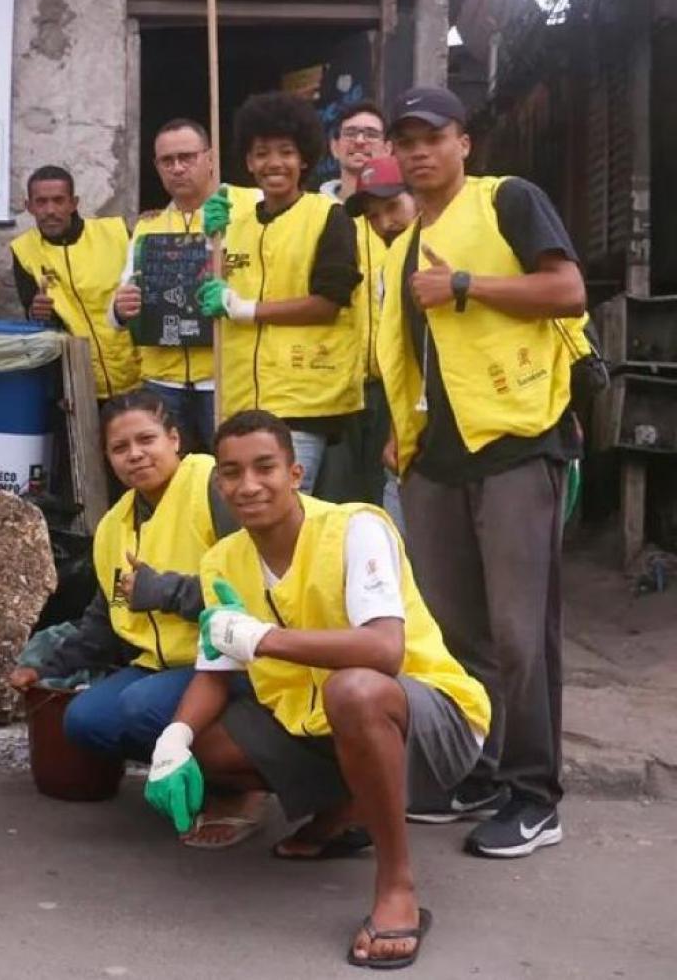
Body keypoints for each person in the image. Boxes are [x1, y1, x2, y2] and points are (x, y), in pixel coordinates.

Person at [145, 411, 490, 969]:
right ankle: (348, 803)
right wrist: (173, 741)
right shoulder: (221, 561)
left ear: (296, 472)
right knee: (209, 747)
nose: (248, 485)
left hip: (431, 718)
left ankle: (396, 885)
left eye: (265, 468)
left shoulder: (356, 528)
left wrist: (266, 639)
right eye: (231, 473)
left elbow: (384, 651)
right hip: (323, 725)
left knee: (355, 692)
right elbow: (215, 670)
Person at [376, 86, 587, 857]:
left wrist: (466, 285)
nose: (419, 151)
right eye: (406, 140)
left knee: (520, 632)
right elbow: (409, 358)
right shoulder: (401, 248)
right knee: (460, 631)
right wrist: (404, 435)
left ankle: (536, 797)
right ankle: (483, 770)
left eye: (432, 136)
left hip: (518, 443)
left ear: (463, 141)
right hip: (438, 459)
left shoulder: (508, 201)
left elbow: (567, 291)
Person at [8, 391, 236, 776]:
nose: (135, 454)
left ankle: (237, 790)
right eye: (120, 447)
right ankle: (189, 775)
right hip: (158, 667)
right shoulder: (115, 524)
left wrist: (162, 592)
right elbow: (102, 620)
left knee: (140, 706)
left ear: (174, 440)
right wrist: (44, 668)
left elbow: (251, 593)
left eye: (147, 440)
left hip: (228, 664)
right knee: (84, 720)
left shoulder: (211, 486)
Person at [197, 92, 363, 493]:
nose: (274, 163)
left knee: (282, 506)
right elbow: (213, 290)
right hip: (239, 396)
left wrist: (247, 309)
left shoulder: (329, 216)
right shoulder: (234, 222)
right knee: (247, 511)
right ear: (249, 162)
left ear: (304, 159)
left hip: (302, 400)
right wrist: (209, 248)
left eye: (286, 152)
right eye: (261, 153)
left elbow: (329, 303)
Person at [109, 119, 235, 453]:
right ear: (156, 167)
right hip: (162, 381)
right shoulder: (148, 228)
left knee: (227, 476)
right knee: (167, 478)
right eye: (167, 161)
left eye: (187, 157)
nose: (177, 168)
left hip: (224, 378)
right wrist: (120, 308)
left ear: (209, 158)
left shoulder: (242, 213)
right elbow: (120, 307)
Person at [11, 165, 140, 401]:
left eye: (59, 200)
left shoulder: (116, 232)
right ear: (29, 207)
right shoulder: (23, 250)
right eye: (41, 202)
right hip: (78, 384)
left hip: (137, 375)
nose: (50, 210)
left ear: (74, 203)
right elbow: (35, 314)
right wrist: (35, 312)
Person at [341, 156, 415, 529]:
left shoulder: (460, 241)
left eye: (392, 207)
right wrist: (397, 433)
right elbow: (402, 356)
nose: (385, 223)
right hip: (418, 423)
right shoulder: (392, 268)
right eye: (373, 216)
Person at [320, 101, 389, 203]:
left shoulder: (402, 209)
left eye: (371, 134)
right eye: (350, 133)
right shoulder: (311, 210)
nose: (359, 141)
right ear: (334, 147)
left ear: (387, 149)